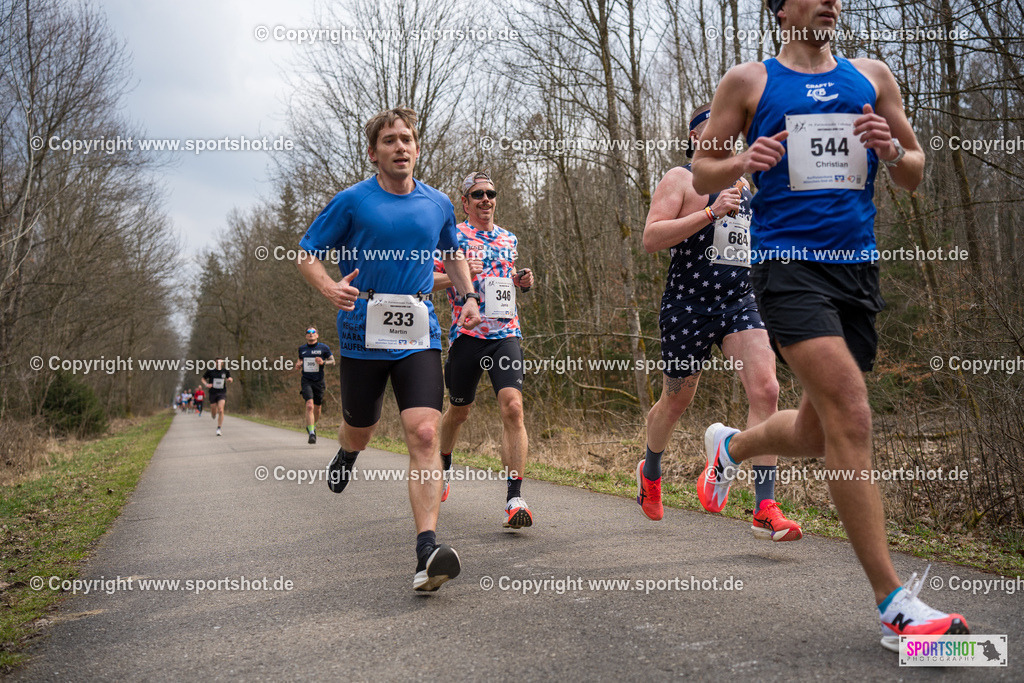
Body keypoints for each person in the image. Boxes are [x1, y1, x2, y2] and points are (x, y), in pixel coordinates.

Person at [690, 0, 968, 649]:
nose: (831, 1)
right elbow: (702, 165)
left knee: (821, 429)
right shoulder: (749, 82)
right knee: (852, 409)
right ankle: (894, 604)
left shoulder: (871, 77)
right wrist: (741, 162)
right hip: (787, 267)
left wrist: (893, 150)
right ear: (781, 10)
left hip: (857, 272)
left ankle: (730, 447)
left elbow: (915, 173)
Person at [296, 107, 482, 592]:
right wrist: (328, 289)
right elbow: (307, 253)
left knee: (423, 433)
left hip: (419, 330)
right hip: (362, 330)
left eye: (407, 139)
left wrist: (468, 298)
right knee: (362, 426)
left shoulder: (439, 203)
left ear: (418, 148)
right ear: (374, 151)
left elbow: (454, 253)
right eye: (389, 141)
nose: (400, 147)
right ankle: (346, 452)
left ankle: (427, 550)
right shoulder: (352, 201)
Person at [636, 105, 802, 542]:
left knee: (767, 389)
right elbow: (652, 237)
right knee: (676, 400)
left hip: (738, 302)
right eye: (713, 131)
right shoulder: (680, 179)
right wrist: (710, 213)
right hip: (687, 305)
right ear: (694, 137)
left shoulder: (745, 185)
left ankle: (764, 506)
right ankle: (650, 472)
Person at [432, 172, 535, 528]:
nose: (485, 200)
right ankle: (443, 462)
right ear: (465, 201)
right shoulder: (453, 237)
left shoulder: (508, 238)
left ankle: (515, 498)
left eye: (490, 193)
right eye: (478, 195)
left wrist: (520, 281)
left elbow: (502, 281)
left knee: (514, 408)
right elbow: (427, 281)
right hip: (467, 335)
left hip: (505, 332)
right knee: (459, 411)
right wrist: (459, 275)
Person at [298, 326, 334, 444]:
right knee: (309, 405)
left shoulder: (324, 348)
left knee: (317, 408)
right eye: (308, 332)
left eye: (313, 332)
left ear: (317, 335)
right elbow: (300, 361)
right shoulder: (302, 349)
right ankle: (312, 433)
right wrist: (298, 365)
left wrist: (323, 362)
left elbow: (332, 361)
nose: (311, 334)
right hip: (306, 380)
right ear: (306, 336)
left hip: (319, 381)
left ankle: (312, 425)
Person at [202, 358, 232, 437]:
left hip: (222, 392)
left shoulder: (225, 371)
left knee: (221, 410)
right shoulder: (210, 371)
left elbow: (229, 378)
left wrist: (230, 379)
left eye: (221, 362)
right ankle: (213, 414)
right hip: (212, 393)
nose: (219, 363)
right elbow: (203, 379)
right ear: (215, 363)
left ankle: (219, 428)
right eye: (217, 362)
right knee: (213, 412)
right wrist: (206, 384)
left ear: (222, 363)